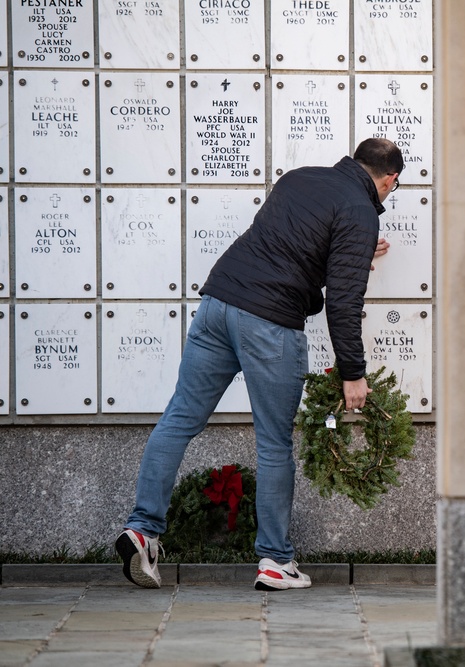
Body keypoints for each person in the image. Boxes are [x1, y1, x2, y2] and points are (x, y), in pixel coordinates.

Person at [116, 138, 403, 591]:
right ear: (390, 180)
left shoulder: (299, 178)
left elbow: (291, 246)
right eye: (392, 190)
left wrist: (351, 254)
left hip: (218, 303)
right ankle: (274, 561)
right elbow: (344, 303)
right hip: (269, 322)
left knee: (178, 420)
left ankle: (142, 530)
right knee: (273, 444)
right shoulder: (361, 209)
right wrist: (353, 372)